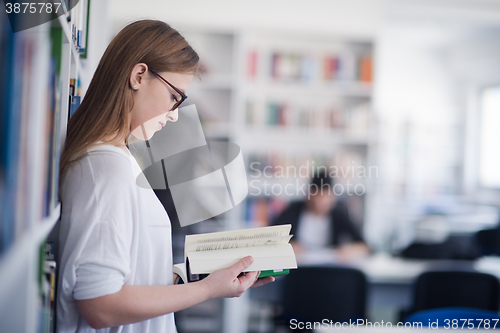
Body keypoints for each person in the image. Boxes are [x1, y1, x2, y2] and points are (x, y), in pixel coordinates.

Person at [57, 20, 273, 333]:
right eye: (174, 97)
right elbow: (100, 305)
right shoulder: (106, 167)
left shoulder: (122, 159)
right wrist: (208, 290)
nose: (174, 114)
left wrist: (205, 276)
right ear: (138, 75)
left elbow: (134, 274)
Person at [272, 171, 370, 260]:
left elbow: (365, 246)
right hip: (298, 268)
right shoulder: (293, 210)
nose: (320, 202)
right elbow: (269, 239)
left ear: (333, 197)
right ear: (308, 194)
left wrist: (351, 250)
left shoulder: (339, 213)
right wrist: (287, 246)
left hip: (329, 269)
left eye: (326, 197)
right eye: (317, 196)